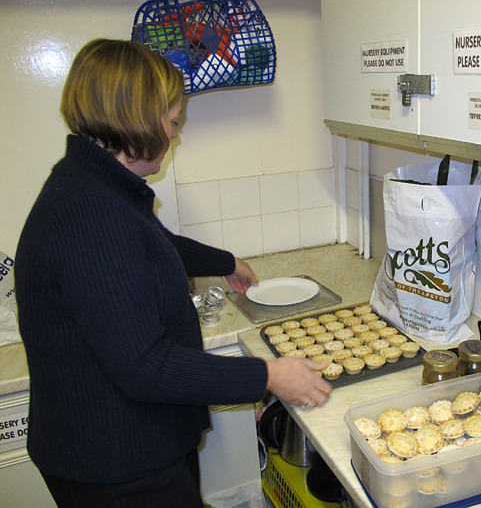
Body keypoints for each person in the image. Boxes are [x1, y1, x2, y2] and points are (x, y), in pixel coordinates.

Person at [14, 39, 332, 508]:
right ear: (135, 119)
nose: (174, 135)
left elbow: (151, 245)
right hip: (116, 465)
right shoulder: (88, 213)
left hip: (127, 443)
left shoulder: (96, 187)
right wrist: (268, 375)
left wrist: (224, 262)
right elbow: (146, 366)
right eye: (172, 121)